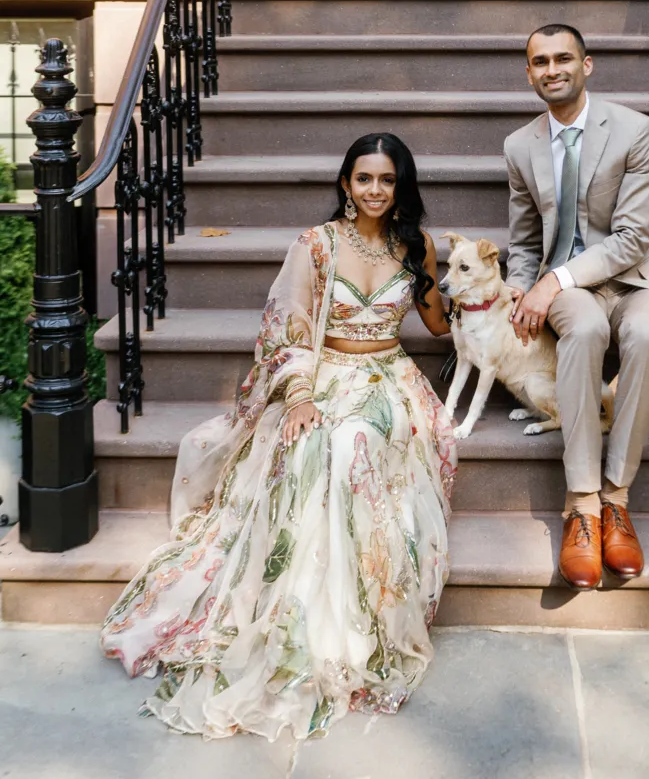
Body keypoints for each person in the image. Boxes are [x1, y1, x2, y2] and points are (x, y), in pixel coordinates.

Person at [100, 133, 456, 740]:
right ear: (346, 184)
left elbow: (438, 326)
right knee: (312, 443)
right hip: (320, 373)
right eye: (364, 179)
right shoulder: (316, 245)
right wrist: (298, 395)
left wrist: (469, 291)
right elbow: (285, 326)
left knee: (355, 445)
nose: (374, 190)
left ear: (402, 187)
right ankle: (303, 617)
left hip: (389, 377)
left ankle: (356, 623)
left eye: (386, 180)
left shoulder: (414, 244)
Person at [504, 24, 649, 591]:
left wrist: (549, 282)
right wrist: (518, 287)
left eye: (563, 58)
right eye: (540, 61)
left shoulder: (638, 131)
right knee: (583, 331)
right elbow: (524, 238)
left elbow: (633, 238)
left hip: (638, 278)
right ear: (528, 72)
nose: (551, 69)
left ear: (588, 65)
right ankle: (582, 505)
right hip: (570, 293)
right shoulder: (519, 145)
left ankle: (618, 498)